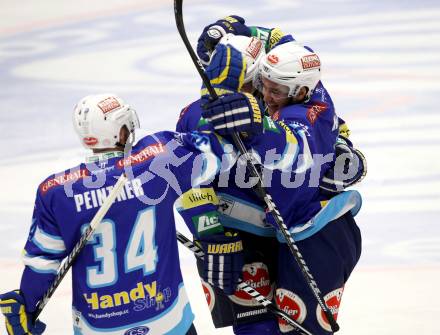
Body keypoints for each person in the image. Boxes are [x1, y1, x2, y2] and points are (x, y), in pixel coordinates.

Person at [0, 93, 247, 335]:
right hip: (168, 320)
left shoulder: (55, 192)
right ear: (120, 132)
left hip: (98, 327)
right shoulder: (159, 159)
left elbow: (41, 265)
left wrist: (28, 306)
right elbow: (223, 153)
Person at [179, 32, 363, 334]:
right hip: (242, 234)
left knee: (300, 329)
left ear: (300, 89)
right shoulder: (194, 115)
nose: (266, 95)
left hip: (313, 228)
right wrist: (212, 237)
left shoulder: (311, 103)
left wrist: (259, 125)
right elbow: (181, 180)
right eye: (262, 86)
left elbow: (296, 146)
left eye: (272, 89)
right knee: (256, 330)